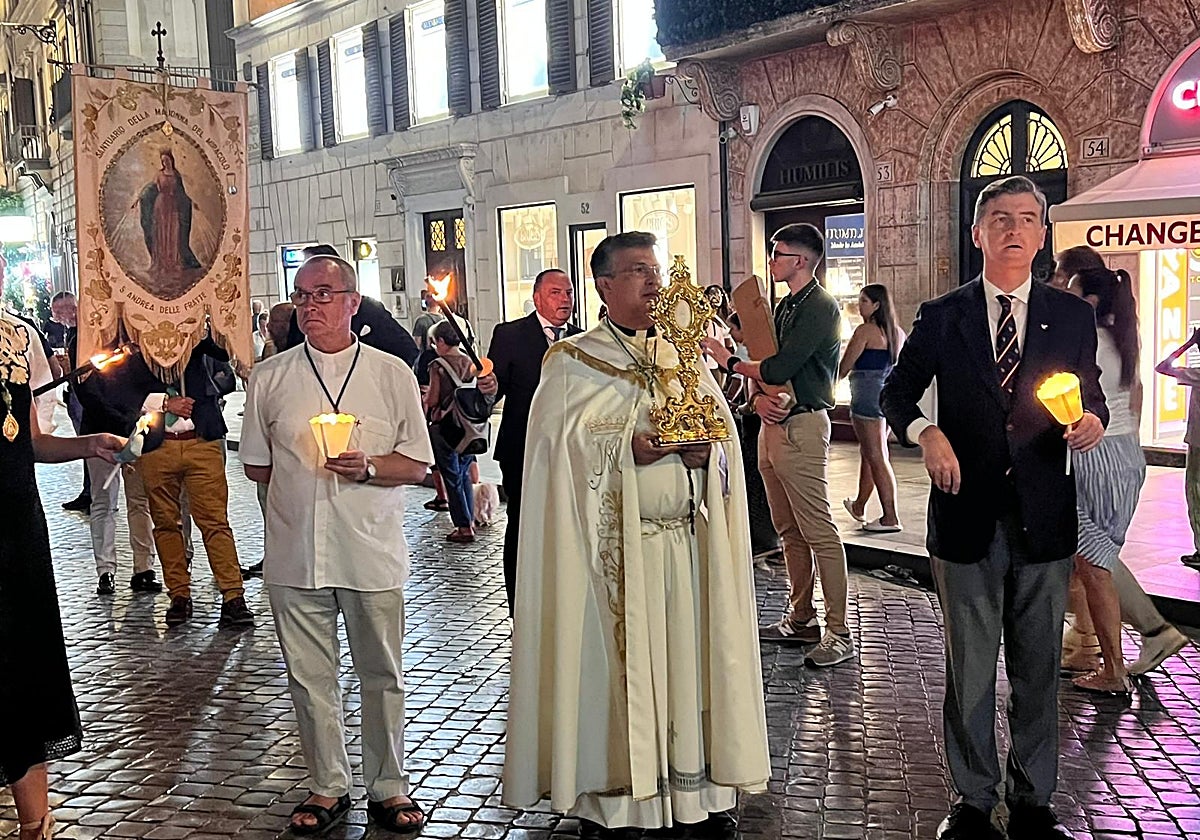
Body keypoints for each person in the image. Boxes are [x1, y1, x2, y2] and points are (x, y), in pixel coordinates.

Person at [504, 232, 770, 840]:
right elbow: (555, 455)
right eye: (636, 272)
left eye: (656, 269)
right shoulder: (573, 363)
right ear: (602, 284)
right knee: (613, 679)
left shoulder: (686, 356)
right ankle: (616, 804)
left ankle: (695, 796)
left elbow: (725, 442)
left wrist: (710, 457)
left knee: (694, 670)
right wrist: (629, 449)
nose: (653, 282)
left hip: (688, 550)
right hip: (612, 560)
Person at [880, 175, 1107, 840]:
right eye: (1000, 218)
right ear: (978, 233)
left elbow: (1090, 393)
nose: (1014, 229)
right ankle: (973, 801)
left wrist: (1090, 420)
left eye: (1028, 219)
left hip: (1044, 516)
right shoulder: (942, 315)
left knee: (1038, 669)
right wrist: (926, 432)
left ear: (1042, 235)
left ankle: (1034, 800)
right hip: (966, 516)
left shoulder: (1071, 316)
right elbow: (897, 393)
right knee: (971, 672)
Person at [240, 255, 434, 836]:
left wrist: (370, 466)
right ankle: (327, 783)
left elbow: (419, 463)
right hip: (295, 550)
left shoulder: (391, 373)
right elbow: (257, 466)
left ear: (353, 301)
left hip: (369, 549)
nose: (309, 306)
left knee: (382, 672)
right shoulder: (270, 377)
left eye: (323, 293)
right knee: (309, 676)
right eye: (300, 296)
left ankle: (389, 785)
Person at [703, 223, 853, 668]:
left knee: (818, 530)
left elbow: (783, 363)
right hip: (774, 424)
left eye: (779, 254)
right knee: (787, 529)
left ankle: (839, 630)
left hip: (804, 424)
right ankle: (801, 615)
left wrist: (728, 359)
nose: (772, 261)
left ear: (802, 261)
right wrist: (758, 397)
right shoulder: (787, 305)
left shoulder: (820, 307)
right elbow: (770, 367)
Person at [1, 313, 124, 840]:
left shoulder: (14, 335)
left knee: (22, 666)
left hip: (12, 533)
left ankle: (37, 825)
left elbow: (28, 441)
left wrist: (88, 443)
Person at [477, 268, 581, 613]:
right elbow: (497, 386)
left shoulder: (582, 340)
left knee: (567, 522)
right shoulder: (510, 334)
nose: (564, 299)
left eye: (568, 292)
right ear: (537, 298)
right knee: (523, 523)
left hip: (570, 449)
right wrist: (490, 388)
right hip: (523, 447)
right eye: (556, 293)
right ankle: (519, 607)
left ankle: (563, 600)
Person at [132, 337, 255, 629]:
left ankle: (233, 596)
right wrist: (162, 402)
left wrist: (197, 324)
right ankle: (179, 595)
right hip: (156, 443)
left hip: (202, 440)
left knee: (215, 521)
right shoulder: (135, 337)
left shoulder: (195, 334)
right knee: (165, 523)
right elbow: (116, 388)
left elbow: (224, 349)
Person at [73, 342, 165, 596]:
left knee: (140, 501)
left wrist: (136, 423)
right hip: (101, 431)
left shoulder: (135, 339)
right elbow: (88, 394)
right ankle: (105, 570)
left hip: (136, 428)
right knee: (103, 502)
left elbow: (149, 381)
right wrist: (122, 423)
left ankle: (144, 568)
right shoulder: (83, 342)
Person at [839, 283, 905, 532]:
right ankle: (859, 505)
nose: (859, 305)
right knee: (870, 451)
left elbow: (844, 368)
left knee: (877, 455)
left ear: (876, 305)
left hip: (866, 395)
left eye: (864, 301)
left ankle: (890, 516)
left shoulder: (865, 331)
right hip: (886, 395)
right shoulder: (896, 332)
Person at [287, 245, 420, 367]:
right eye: (302, 293)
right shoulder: (300, 313)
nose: (310, 305)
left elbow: (406, 349)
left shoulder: (369, 309)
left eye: (322, 293)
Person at [424, 320, 480, 543]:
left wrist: (425, 398)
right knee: (464, 472)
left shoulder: (438, 365)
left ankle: (463, 526)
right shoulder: (470, 362)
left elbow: (434, 398)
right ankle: (470, 518)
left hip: (445, 426)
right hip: (468, 426)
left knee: (452, 476)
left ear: (440, 341)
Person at [1157, 327, 1200, 569]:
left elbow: (1163, 366)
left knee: (1196, 492)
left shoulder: (1197, 373)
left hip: (1198, 440)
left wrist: (1188, 344)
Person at [51, 292, 91, 512]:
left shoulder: (85, 332)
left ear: (69, 309)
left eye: (58, 312)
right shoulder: (73, 332)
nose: (55, 316)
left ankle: (91, 492)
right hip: (76, 393)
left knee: (86, 442)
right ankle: (88, 490)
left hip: (85, 397)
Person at [136, 149, 201, 278]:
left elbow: (181, 192)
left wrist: (192, 202)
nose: (165, 162)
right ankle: (162, 263)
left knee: (173, 233)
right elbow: (150, 188)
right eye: (163, 160)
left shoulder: (176, 175)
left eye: (167, 160)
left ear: (171, 160)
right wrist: (139, 198)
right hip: (161, 206)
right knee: (162, 233)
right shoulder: (159, 174)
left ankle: (173, 262)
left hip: (173, 206)